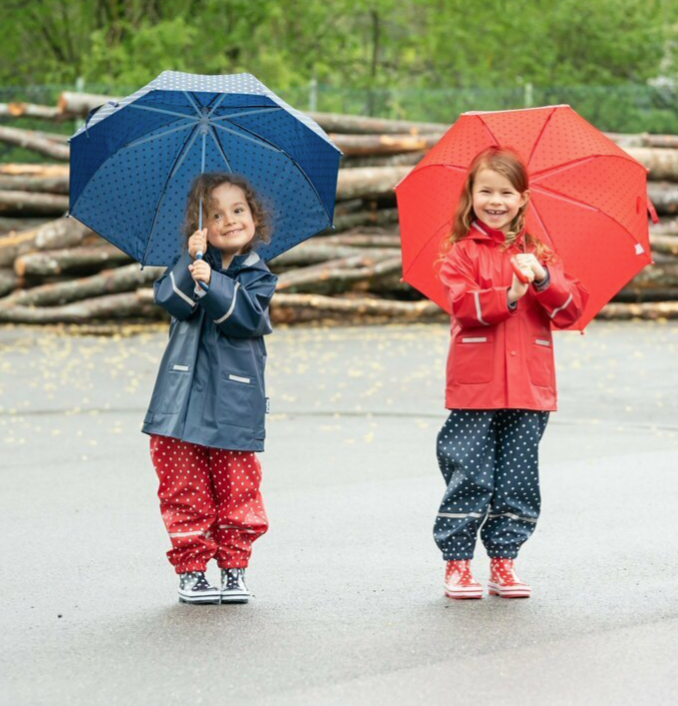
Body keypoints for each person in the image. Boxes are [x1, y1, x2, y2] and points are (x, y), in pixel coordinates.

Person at [434, 146, 588, 599]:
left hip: (529, 389)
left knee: (518, 479)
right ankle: (458, 564)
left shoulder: (540, 253)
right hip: (475, 390)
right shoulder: (460, 254)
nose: (495, 201)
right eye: (486, 191)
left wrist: (542, 278)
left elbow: (571, 310)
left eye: (506, 192)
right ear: (471, 195)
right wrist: (511, 292)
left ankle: (504, 561)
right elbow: (462, 306)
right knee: (469, 473)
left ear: (523, 197)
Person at [142, 173, 277, 605]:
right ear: (200, 225)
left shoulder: (259, 276)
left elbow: (247, 319)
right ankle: (192, 569)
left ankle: (234, 566)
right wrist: (190, 264)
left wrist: (214, 283)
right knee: (183, 486)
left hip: (232, 405)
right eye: (215, 214)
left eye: (239, 210)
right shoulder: (188, 264)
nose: (229, 220)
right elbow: (171, 301)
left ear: (254, 216)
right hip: (178, 404)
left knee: (237, 485)